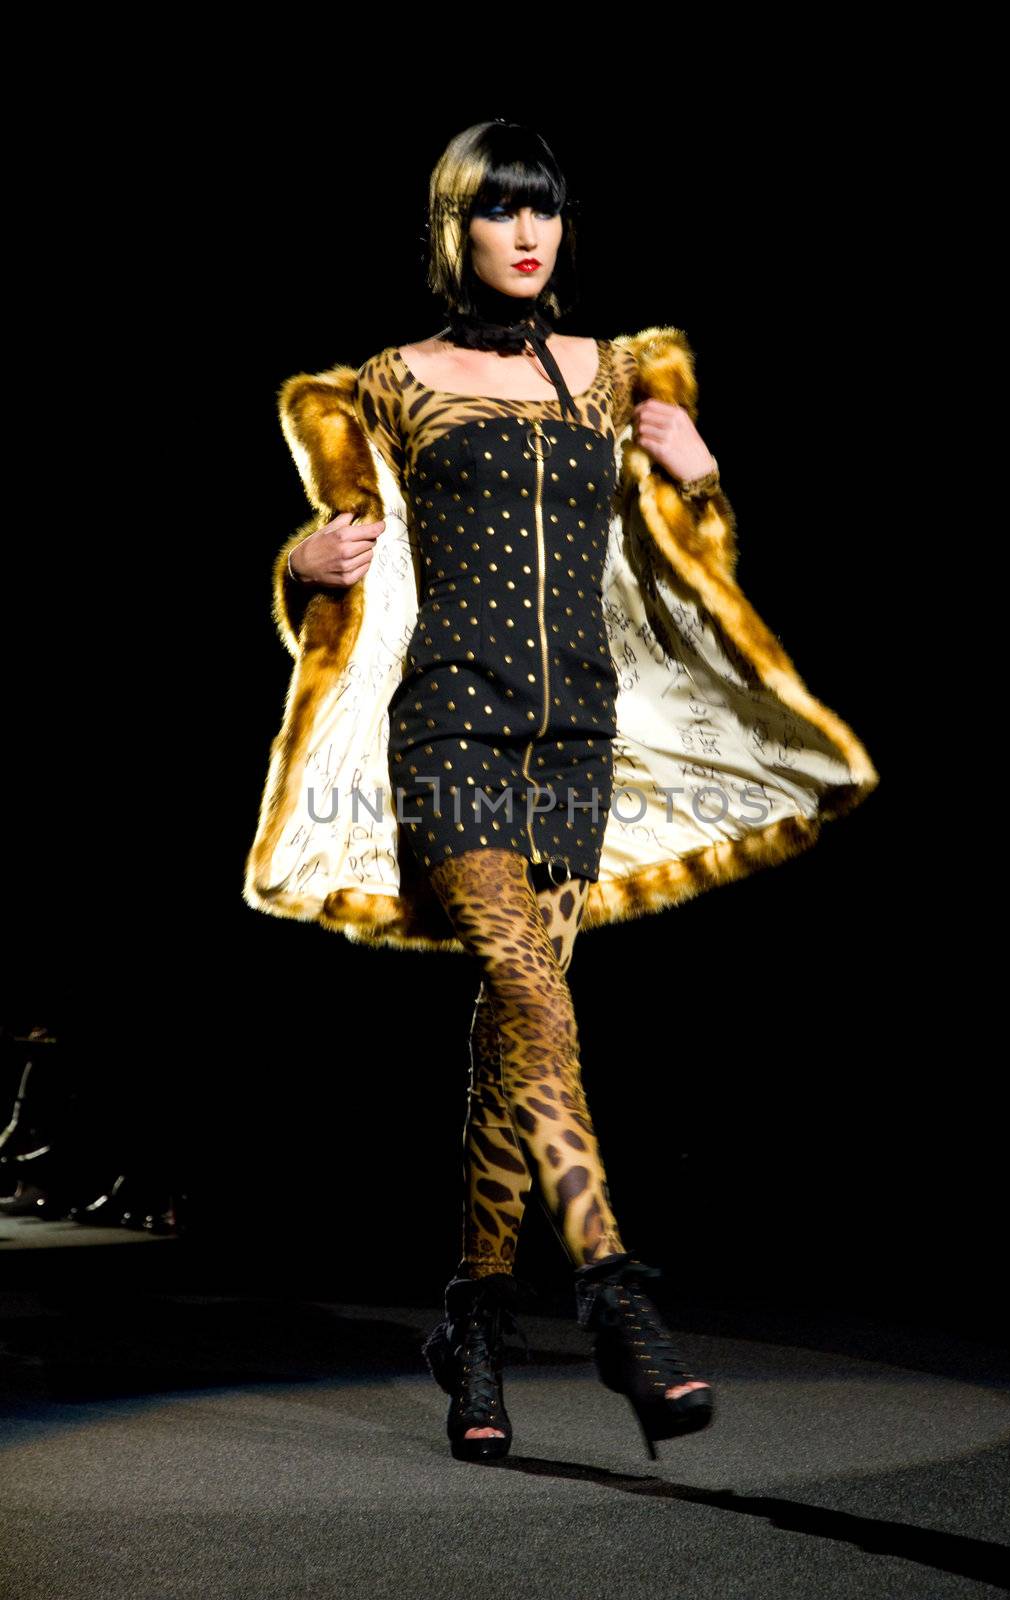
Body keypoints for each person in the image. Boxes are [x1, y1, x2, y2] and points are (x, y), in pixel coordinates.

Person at [245, 119, 879, 1463]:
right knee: (535, 997)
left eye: (546, 212)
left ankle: (469, 1333)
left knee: (509, 1044)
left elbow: (682, 579)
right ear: (454, 230)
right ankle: (615, 1297)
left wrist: (707, 482)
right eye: (499, 213)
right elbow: (334, 585)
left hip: (574, 740)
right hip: (449, 729)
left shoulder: (607, 380)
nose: (527, 235)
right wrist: (299, 568)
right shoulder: (390, 382)